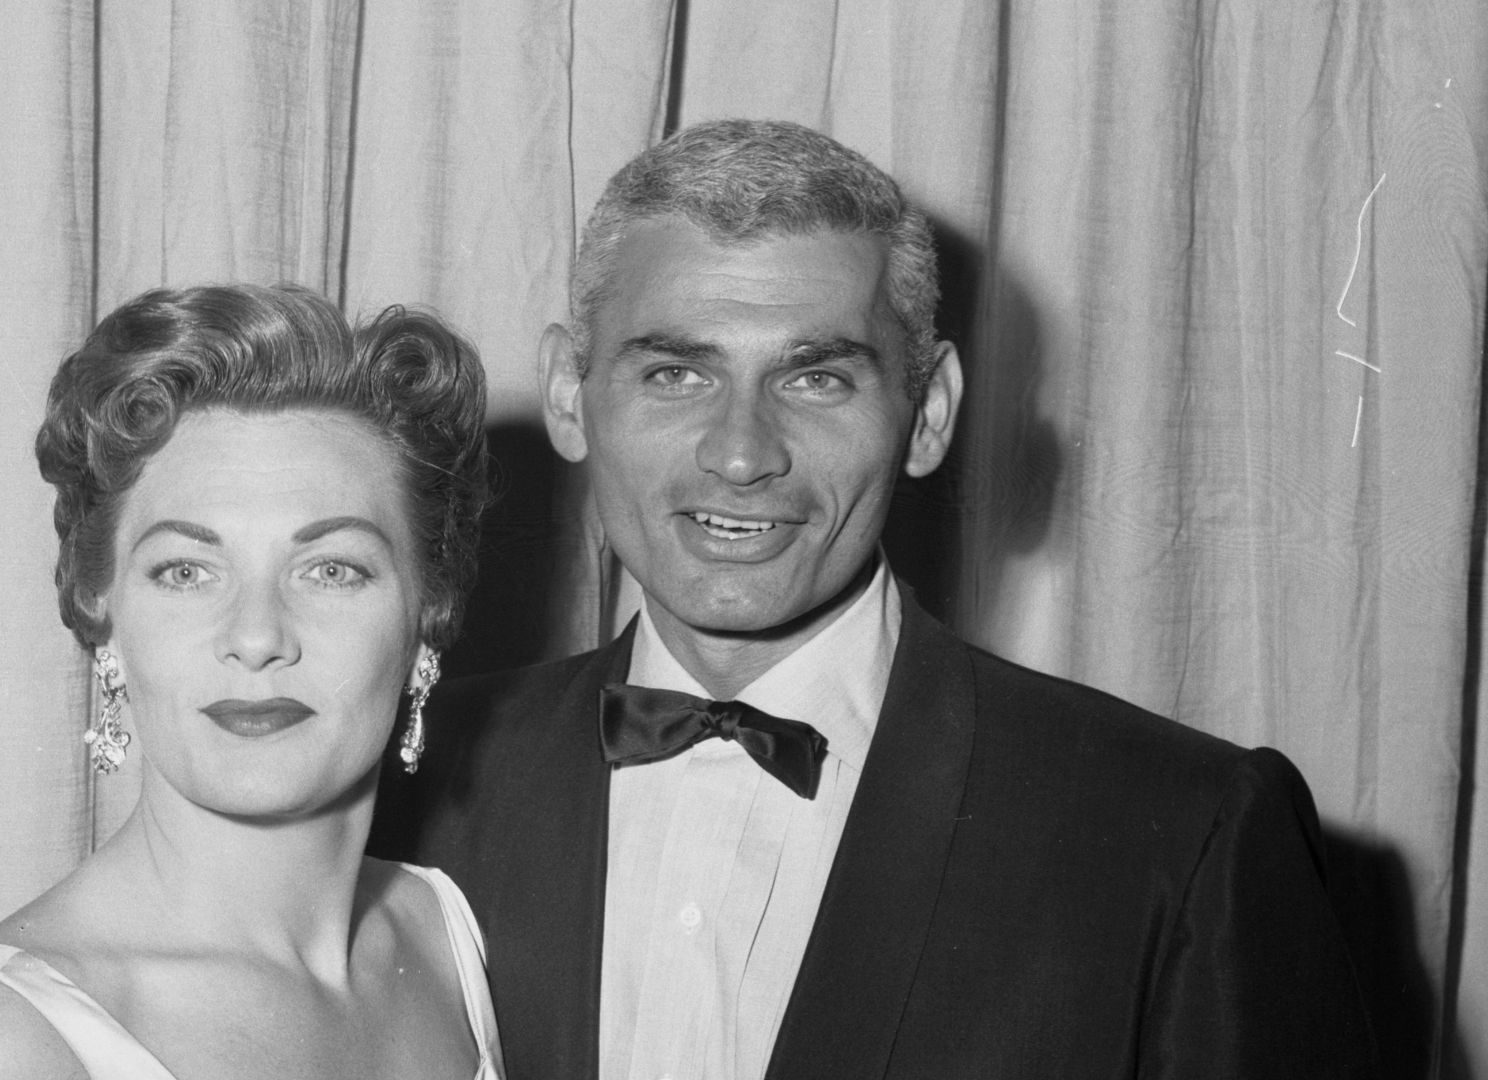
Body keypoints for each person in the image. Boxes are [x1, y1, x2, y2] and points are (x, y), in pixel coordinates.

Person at [371, 120, 1374, 1078]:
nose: (740, 455)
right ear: (567, 394)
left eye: (815, 381)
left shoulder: (1185, 831)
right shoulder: (390, 786)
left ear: (928, 412)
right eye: (676, 373)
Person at [0, 285, 500, 1080]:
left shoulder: (445, 933)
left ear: (427, 618)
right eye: (186, 571)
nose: (257, 637)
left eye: (331, 570)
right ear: (103, 616)